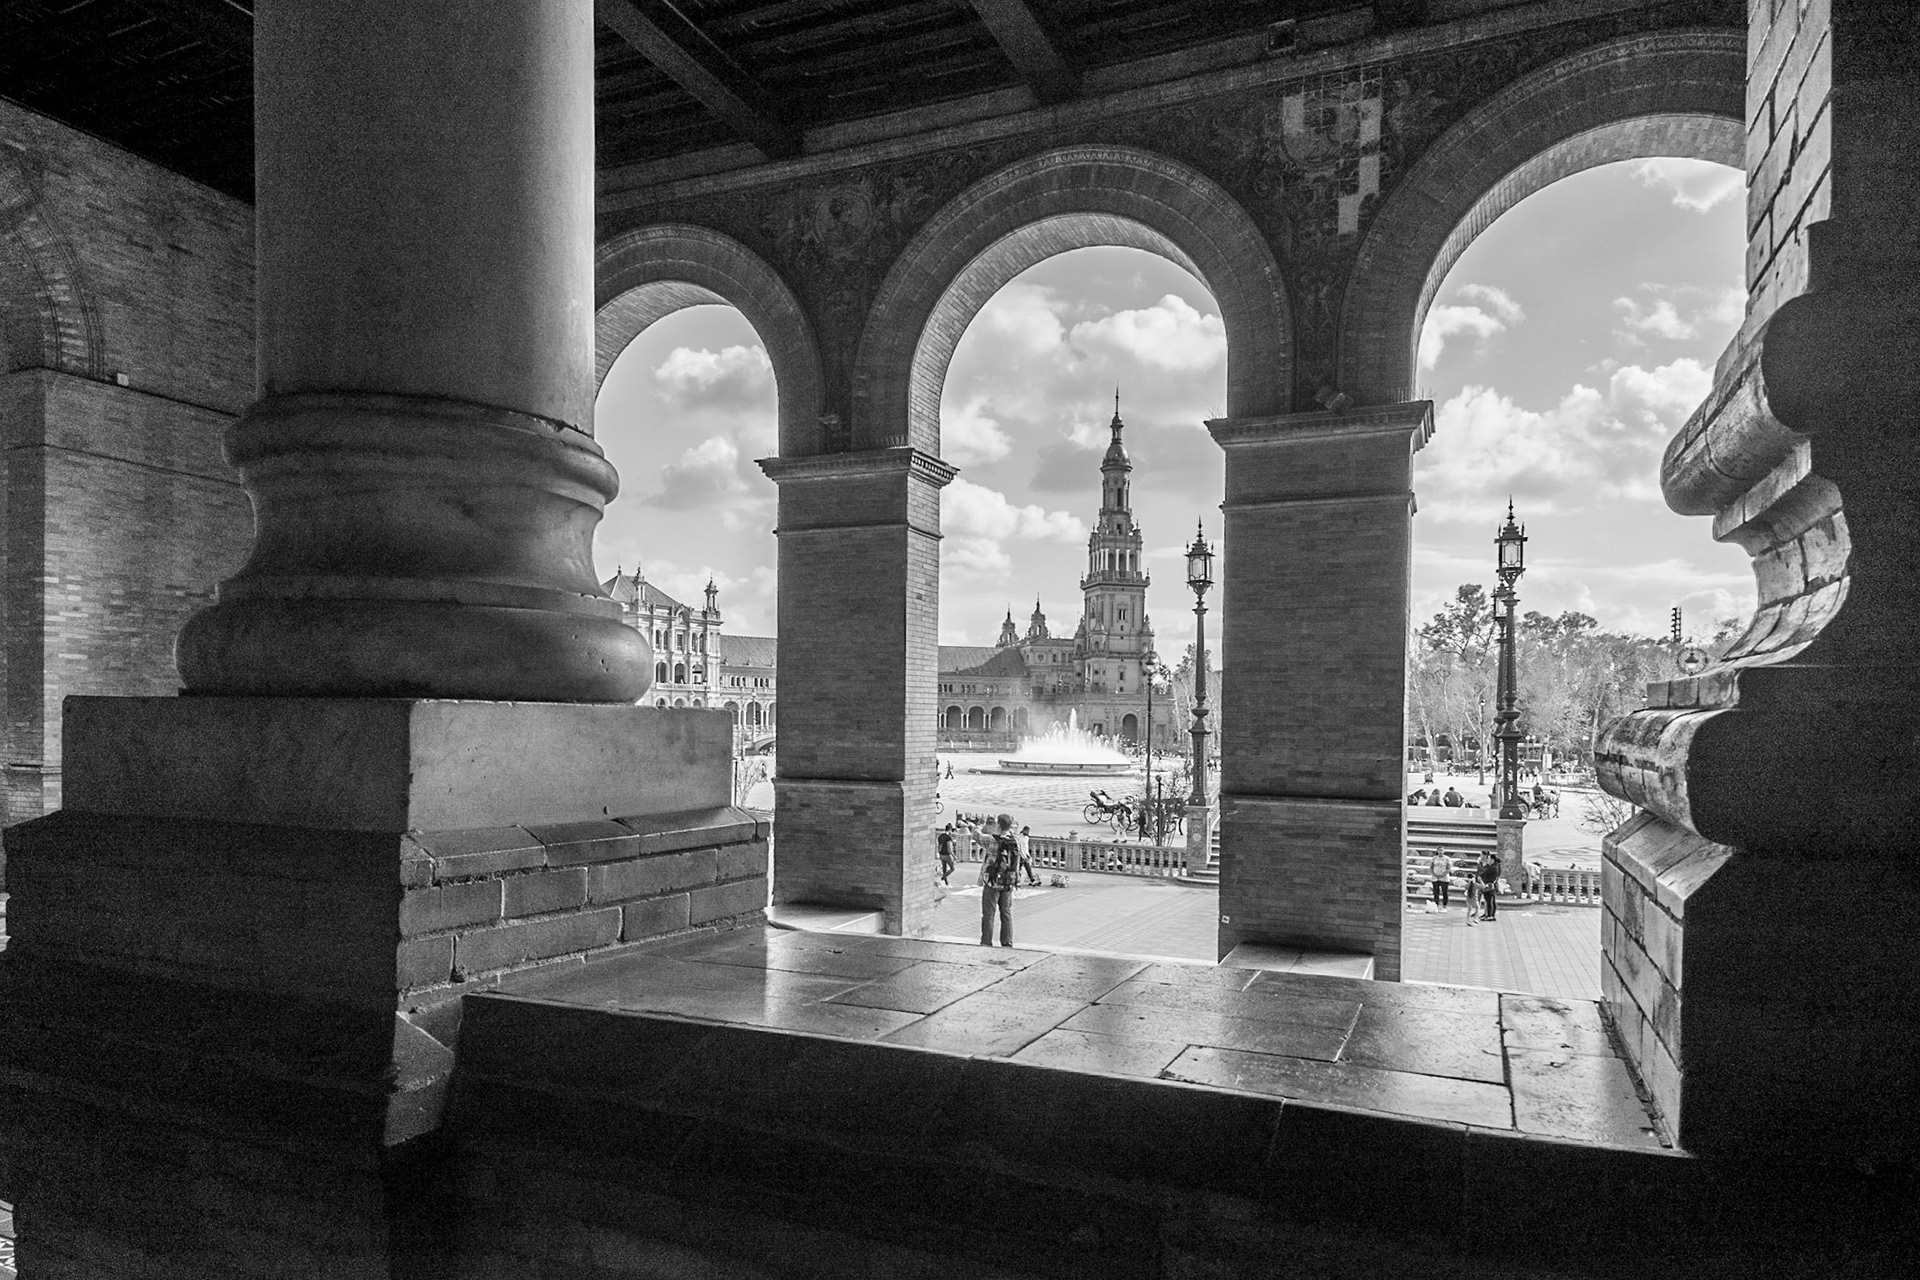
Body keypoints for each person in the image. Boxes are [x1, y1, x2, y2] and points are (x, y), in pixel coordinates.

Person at [980, 813, 1020, 947]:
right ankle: (1007, 942)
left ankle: (986, 942)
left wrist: (980, 824)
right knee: (1006, 913)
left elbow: (976, 835)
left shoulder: (992, 840)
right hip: (1008, 882)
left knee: (989, 914)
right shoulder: (1016, 840)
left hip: (992, 882)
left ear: (998, 825)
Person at [1477, 850, 1500, 921]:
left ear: (1492, 860)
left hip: (1489, 885)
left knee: (1489, 900)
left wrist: (1481, 880)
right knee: (1491, 900)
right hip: (1493, 885)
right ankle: (1491, 915)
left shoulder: (1492, 867)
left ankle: (1489, 915)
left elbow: (1482, 874)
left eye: (1489, 859)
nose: (1488, 860)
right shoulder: (1496, 866)